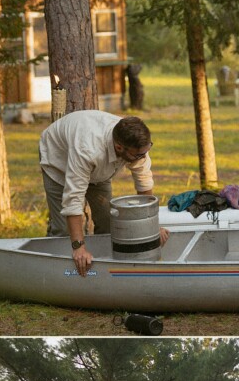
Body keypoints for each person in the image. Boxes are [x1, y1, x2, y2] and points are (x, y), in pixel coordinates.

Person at [39, 109, 169, 276]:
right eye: (138, 155)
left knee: (109, 222)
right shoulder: (88, 150)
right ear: (119, 147)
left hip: (99, 169)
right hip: (58, 161)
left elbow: (144, 183)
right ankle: (59, 275)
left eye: (146, 151)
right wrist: (78, 247)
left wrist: (152, 228)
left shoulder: (137, 147)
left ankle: (103, 272)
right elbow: (73, 199)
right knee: (63, 231)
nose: (143, 157)